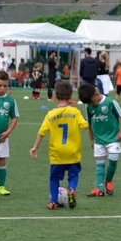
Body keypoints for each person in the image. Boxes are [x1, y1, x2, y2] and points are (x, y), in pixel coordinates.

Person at [30, 80, 89, 210]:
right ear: (71, 96)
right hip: (73, 152)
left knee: (54, 179)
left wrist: (35, 147)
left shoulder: (50, 114)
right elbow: (85, 125)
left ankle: (53, 202)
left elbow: (42, 132)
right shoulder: (75, 112)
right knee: (73, 175)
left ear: (55, 96)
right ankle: (71, 189)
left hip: (57, 153)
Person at [78, 83, 121, 198]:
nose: (91, 105)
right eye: (89, 103)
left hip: (113, 138)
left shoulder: (110, 103)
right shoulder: (88, 106)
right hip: (98, 140)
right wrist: (91, 139)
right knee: (100, 165)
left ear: (96, 94)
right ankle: (99, 189)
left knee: (113, 160)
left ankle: (108, 181)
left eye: (91, 102)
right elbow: (89, 123)